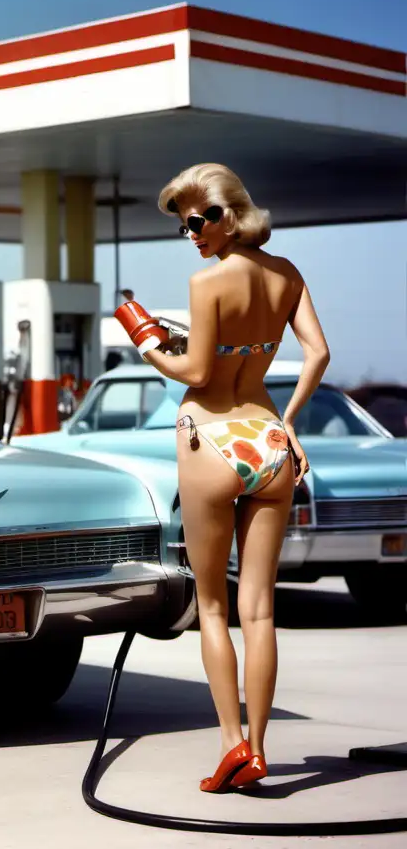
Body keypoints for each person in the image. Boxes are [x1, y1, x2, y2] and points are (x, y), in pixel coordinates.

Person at [114, 162, 330, 793]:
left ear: (233, 212)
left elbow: (200, 373)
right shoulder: (286, 275)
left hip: (209, 439)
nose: (195, 233)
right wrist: (290, 421)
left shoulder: (208, 284)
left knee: (212, 604)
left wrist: (151, 346)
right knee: (259, 610)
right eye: (185, 226)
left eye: (202, 218)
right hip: (267, 439)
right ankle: (259, 750)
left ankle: (234, 744)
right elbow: (317, 352)